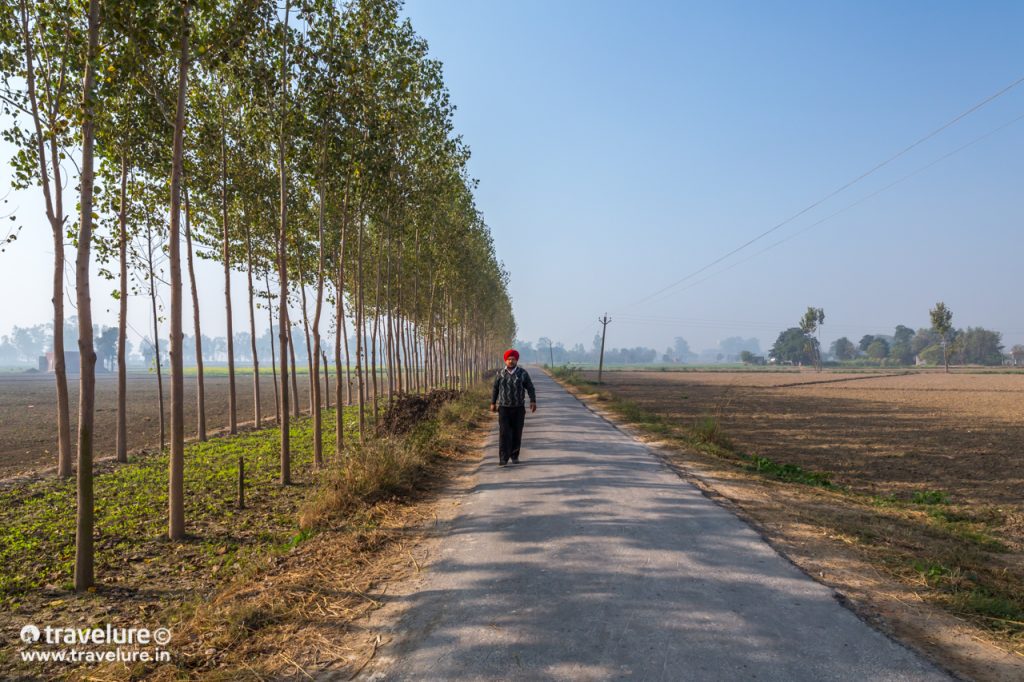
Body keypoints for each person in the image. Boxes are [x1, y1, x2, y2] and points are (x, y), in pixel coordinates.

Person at [490, 349, 537, 466]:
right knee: (504, 433)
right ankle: (503, 458)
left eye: (513, 359)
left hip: (519, 408)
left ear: (516, 360)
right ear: (505, 361)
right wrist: (493, 403)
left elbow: (530, 387)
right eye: (509, 359)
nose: (511, 361)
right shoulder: (500, 373)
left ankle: (515, 456)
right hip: (504, 408)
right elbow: (495, 389)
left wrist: (533, 401)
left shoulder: (523, 373)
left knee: (517, 432)